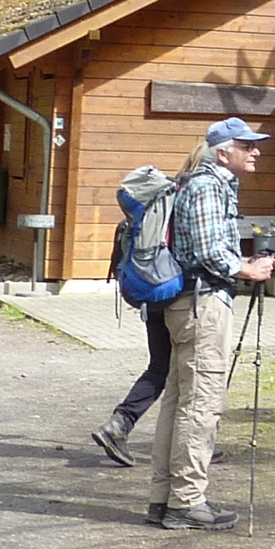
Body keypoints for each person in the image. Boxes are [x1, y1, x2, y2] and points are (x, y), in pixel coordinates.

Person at [148, 117, 275, 530]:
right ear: (225, 152)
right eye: (247, 145)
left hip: (190, 304)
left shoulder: (204, 183)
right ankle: (185, 502)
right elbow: (208, 252)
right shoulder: (205, 186)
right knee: (200, 404)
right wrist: (248, 270)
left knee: (180, 399)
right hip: (202, 305)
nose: (256, 151)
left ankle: (164, 498)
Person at [93, 142, 213, 468]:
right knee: (190, 373)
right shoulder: (195, 198)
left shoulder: (160, 198)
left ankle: (119, 424)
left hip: (152, 291)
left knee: (160, 367)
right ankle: (196, 442)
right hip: (179, 295)